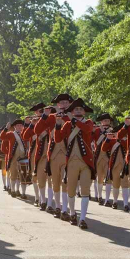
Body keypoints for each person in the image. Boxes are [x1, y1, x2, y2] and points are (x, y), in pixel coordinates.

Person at [57, 98, 94, 229]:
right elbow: (58, 138)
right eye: (76, 109)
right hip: (71, 161)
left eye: (80, 109)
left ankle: (82, 219)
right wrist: (57, 124)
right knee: (70, 190)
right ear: (72, 112)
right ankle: (72, 213)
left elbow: (86, 130)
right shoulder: (67, 125)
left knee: (85, 190)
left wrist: (73, 121)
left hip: (85, 162)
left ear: (84, 112)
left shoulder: (89, 122)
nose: (78, 110)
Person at [37, 94, 73, 219]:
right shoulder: (52, 117)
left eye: (66, 103)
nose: (63, 105)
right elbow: (37, 130)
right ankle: (58, 206)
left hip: (68, 154)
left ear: (69, 104)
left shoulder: (72, 117)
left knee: (65, 182)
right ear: (57, 105)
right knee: (55, 182)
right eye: (61, 103)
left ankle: (64, 209)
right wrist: (45, 115)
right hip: (52, 154)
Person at [1, 120, 28, 198]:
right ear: (15, 127)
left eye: (21, 125)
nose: (19, 127)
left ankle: (22, 192)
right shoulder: (11, 134)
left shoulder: (25, 134)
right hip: (14, 158)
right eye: (18, 125)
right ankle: (13, 190)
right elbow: (2, 137)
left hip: (23, 158)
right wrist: (6, 128)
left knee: (22, 176)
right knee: (13, 175)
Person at [92, 113, 113, 206]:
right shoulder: (97, 131)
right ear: (101, 122)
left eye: (108, 120)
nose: (106, 122)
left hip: (109, 156)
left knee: (108, 178)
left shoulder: (112, 131)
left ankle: (107, 199)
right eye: (104, 120)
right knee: (99, 178)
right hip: (99, 156)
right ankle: (100, 196)